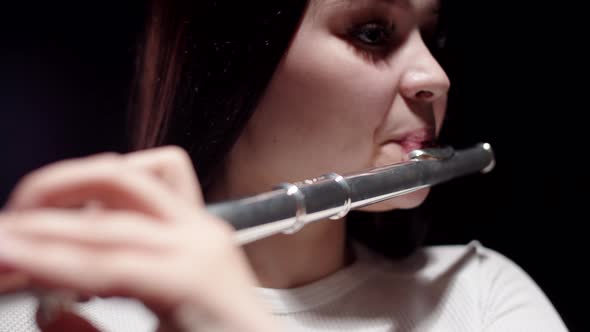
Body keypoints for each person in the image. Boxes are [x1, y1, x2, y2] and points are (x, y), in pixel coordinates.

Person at [0, 0, 568, 331]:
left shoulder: (481, 300)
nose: (435, 76)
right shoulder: (42, 311)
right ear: (239, 62)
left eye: (431, 34)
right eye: (373, 32)